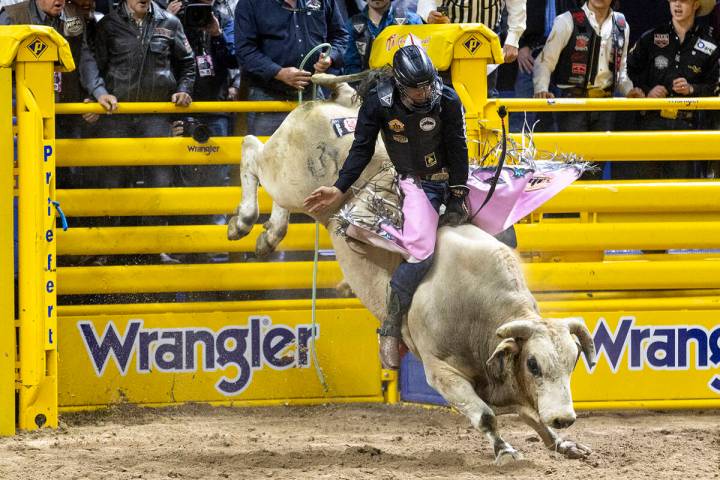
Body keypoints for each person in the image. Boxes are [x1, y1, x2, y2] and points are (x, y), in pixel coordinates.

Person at [303, 45, 470, 369]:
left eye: (428, 84)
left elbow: (458, 145)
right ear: (400, 84)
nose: (424, 92)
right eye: (416, 87)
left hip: (451, 178)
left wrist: (459, 192)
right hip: (415, 183)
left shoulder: (447, 99)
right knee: (421, 250)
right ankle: (391, 328)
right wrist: (340, 188)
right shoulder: (379, 104)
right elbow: (362, 149)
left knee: (502, 229)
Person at [621, 0, 719, 178]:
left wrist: (691, 89)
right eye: (673, 0)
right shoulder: (651, 38)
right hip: (651, 122)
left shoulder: (710, 45)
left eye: (684, 1)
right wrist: (647, 91)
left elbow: (714, 87)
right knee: (645, 185)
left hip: (687, 125)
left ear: (696, 5)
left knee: (679, 188)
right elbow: (625, 71)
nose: (677, 5)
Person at [234, 0, 350, 136]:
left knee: (316, 154)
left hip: (312, 95)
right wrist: (278, 72)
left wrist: (330, 57)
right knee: (268, 156)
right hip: (268, 98)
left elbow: (341, 36)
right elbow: (245, 50)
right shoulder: (250, 3)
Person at [533, 0, 643, 134]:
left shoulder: (621, 25)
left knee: (602, 153)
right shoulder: (566, 20)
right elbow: (545, 61)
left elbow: (621, 70)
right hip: (572, 103)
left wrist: (629, 90)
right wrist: (541, 89)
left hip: (605, 104)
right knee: (573, 154)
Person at [511, 0, 578, 131]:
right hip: (530, 53)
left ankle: (564, 151)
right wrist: (520, 45)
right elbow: (510, 13)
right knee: (523, 114)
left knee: (566, 116)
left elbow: (586, 13)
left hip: (566, 56)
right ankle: (518, 150)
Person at [417, 0, 526, 65]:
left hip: (488, 37)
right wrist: (429, 14)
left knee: (485, 91)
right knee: (448, 93)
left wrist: (513, 39)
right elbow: (428, 2)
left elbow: (517, 3)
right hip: (450, 38)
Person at [343, 0, 423, 75]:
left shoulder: (411, 21)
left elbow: (421, 63)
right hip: (365, 84)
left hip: (405, 84)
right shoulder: (352, 25)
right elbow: (350, 66)